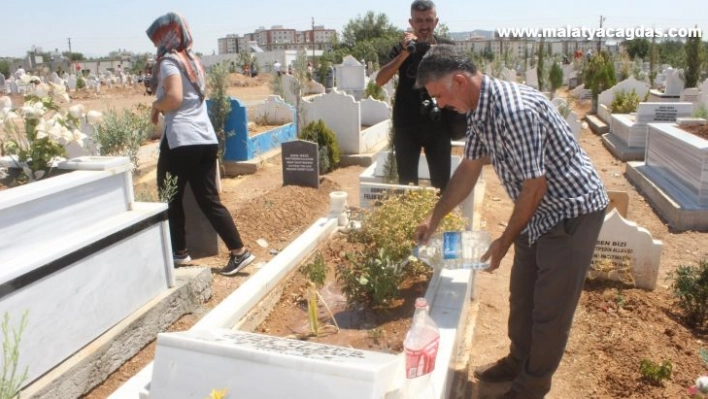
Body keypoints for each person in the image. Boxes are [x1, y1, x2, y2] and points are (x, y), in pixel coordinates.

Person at [414, 45, 609, 399]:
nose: (440, 104)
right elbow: (469, 168)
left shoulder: (513, 110)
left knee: (550, 311)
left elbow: (535, 186)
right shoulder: (477, 110)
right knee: (522, 298)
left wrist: (504, 240)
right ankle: (518, 360)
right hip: (537, 211)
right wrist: (434, 215)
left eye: (440, 95)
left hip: (570, 212)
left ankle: (531, 387)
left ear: (459, 81)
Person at [146, 11, 255, 276]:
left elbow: (174, 98)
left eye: (158, 38)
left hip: (182, 139)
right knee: (208, 198)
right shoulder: (193, 60)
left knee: (170, 196)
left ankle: (179, 251)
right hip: (205, 139)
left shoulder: (170, 61)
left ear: (167, 36)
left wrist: (155, 106)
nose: (156, 45)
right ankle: (239, 252)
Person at [375, 0, 459, 191]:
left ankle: (439, 220)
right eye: (419, 20)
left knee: (441, 186)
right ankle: (411, 221)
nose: (424, 25)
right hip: (407, 127)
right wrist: (404, 54)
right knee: (407, 185)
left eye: (428, 20)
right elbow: (380, 80)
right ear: (411, 22)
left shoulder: (447, 47)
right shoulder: (401, 48)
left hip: (439, 124)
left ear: (436, 22)